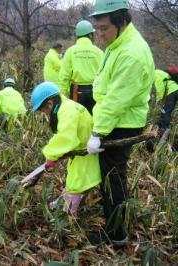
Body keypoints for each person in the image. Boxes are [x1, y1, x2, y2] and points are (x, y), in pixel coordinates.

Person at [86, 0, 155, 246]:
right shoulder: (118, 43)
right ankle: (115, 222)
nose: (99, 34)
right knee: (112, 175)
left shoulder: (131, 54)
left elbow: (116, 100)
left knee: (113, 177)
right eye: (97, 28)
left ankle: (116, 234)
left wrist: (97, 132)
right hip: (114, 119)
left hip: (120, 123)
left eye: (104, 28)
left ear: (122, 22)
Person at [30, 82, 101, 215]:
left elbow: (65, 137)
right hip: (82, 149)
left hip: (86, 151)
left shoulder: (67, 111)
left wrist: (50, 155)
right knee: (74, 178)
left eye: (43, 110)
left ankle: (67, 215)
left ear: (50, 104)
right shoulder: (66, 106)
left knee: (76, 182)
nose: (45, 114)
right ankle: (65, 201)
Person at [58, 20, 103, 114]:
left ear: (77, 35)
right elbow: (105, 73)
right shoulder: (98, 52)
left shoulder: (70, 51)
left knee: (78, 119)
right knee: (94, 120)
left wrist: (62, 95)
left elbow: (64, 75)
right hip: (95, 91)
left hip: (77, 92)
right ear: (90, 35)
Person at [154, 69, 178, 133]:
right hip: (175, 89)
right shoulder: (160, 72)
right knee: (167, 109)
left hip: (171, 90)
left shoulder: (155, 74)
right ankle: (164, 126)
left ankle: (164, 129)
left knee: (166, 110)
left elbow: (160, 87)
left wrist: (159, 98)